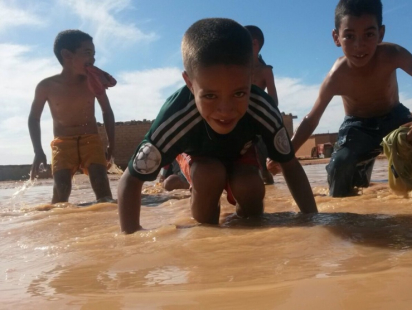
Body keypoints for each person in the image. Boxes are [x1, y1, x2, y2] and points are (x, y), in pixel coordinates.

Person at [118, 18, 318, 234]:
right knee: (209, 175)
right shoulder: (176, 116)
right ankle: (207, 231)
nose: (225, 110)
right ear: (190, 84)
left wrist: (315, 222)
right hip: (199, 158)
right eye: (210, 95)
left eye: (239, 93)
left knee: (250, 185)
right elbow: (130, 180)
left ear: (251, 76)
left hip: (240, 153)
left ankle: (247, 233)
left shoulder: (262, 108)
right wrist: (131, 240)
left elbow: (290, 166)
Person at [270, 0, 412, 197]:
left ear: (381, 34)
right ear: (336, 37)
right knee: (339, 167)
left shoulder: (393, 55)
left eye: (369, 34)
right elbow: (311, 120)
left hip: (395, 118)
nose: (359, 45)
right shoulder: (336, 76)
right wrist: (285, 154)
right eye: (349, 36)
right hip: (357, 128)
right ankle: (350, 207)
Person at [28, 29, 116, 203]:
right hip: (63, 142)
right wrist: (38, 151)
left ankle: (107, 218)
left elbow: (107, 111)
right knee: (61, 187)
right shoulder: (47, 86)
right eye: (87, 53)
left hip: (91, 139)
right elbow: (34, 118)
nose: (93, 59)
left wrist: (112, 144)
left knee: (100, 181)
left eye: (94, 54)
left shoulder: (93, 82)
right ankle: (60, 225)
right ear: (67, 55)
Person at [245, 25, 278, 185]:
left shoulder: (265, 71)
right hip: (239, 120)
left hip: (259, 122)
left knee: (264, 171)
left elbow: (274, 101)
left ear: (254, 44)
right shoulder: (238, 69)